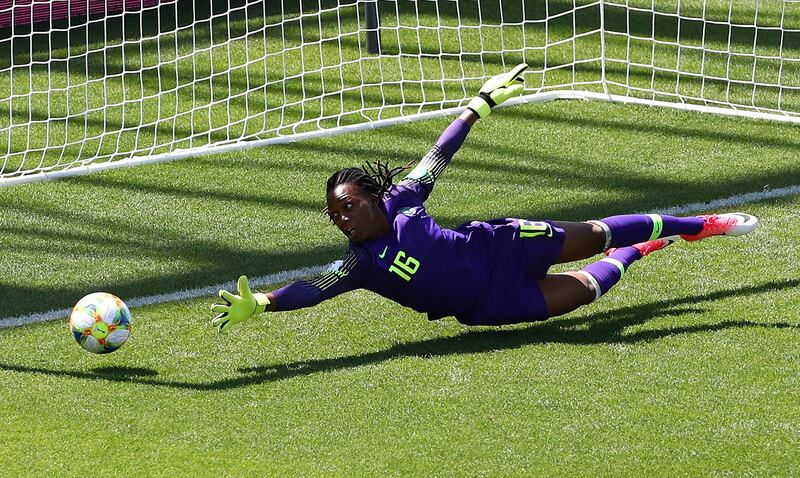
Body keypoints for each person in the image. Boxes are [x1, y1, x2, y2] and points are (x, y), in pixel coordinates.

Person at [210, 63, 759, 333]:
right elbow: (313, 287)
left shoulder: (403, 199)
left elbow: (440, 152)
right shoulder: (360, 265)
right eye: (334, 214)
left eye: (347, 204)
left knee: (599, 233)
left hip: (501, 247)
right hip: (486, 306)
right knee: (590, 289)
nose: (341, 218)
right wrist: (262, 302)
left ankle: (695, 224)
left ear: (373, 197)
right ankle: (641, 253)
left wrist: (481, 103)